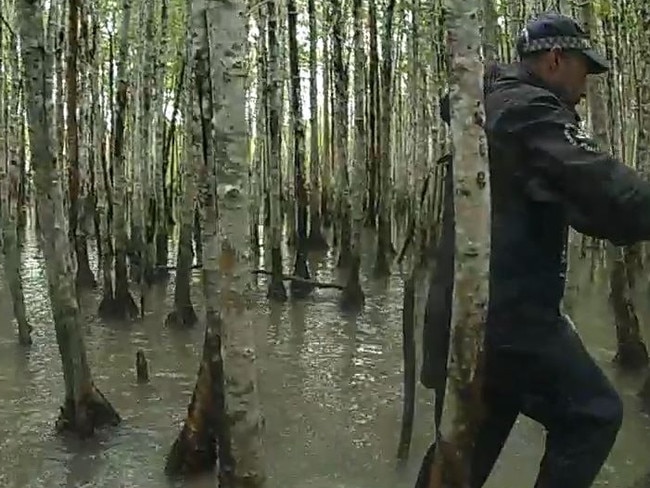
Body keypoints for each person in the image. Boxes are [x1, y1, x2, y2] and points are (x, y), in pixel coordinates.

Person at [417, 12, 650, 488]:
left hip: (468, 316)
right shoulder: (528, 110)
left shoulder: (492, 109)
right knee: (593, 413)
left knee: (461, 453)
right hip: (506, 319)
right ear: (555, 60)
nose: (585, 88)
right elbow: (599, 186)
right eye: (583, 70)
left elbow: (585, 208)